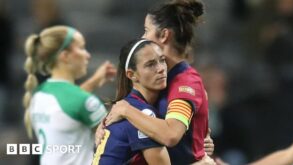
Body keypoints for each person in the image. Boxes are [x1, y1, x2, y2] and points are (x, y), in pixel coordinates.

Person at [103, 0, 213, 164]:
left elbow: (170, 135)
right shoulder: (160, 80)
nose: (143, 37)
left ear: (164, 35)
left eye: (146, 30)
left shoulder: (185, 82)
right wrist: (105, 126)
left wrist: (126, 111)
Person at [23, 25, 116, 165]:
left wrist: (95, 81)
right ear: (65, 56)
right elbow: (117, 136)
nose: (87, 55)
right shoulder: (82, 101)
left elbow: (69, 106)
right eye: (81, 48)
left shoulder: (39, 93)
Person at [92, 39, 171, 165]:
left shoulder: (128, 105)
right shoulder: (141, 113)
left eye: (162, 60)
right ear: (132, 74)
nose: (161, 68)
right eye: (150, 64)